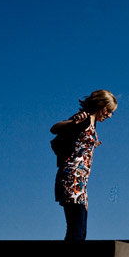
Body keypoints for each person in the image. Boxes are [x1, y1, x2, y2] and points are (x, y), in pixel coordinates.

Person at [51, 90, 117, 241]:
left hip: (81, 183)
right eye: (108, 110)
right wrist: (73, 122)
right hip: (72, 178)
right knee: (77, 229)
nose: (109, 115)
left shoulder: (93, 124)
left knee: (81, 231)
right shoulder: (84, 119)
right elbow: (54, 128)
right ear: (100, 105)